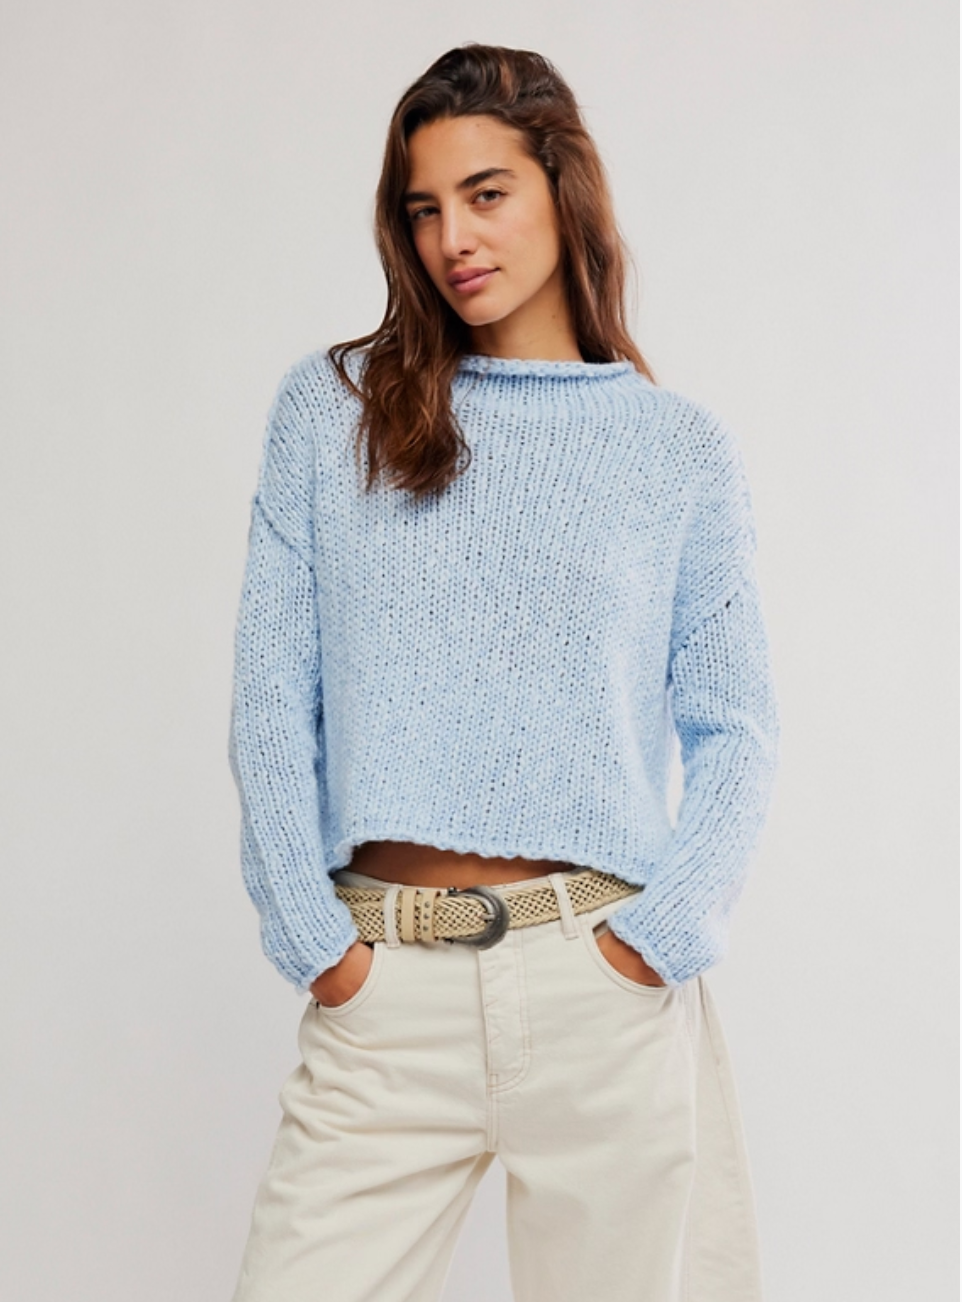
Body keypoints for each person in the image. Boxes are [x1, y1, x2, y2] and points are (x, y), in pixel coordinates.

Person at [227, 41, 780, 1302]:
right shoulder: (333, 411)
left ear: (560, 187)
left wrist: (658, 940)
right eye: (423, 208)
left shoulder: (674, 451)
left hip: (600, 985)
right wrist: (314, 940)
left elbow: (735, 725)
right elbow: (270, 697)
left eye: (485, 194)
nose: (452, 240)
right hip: (382, 994)